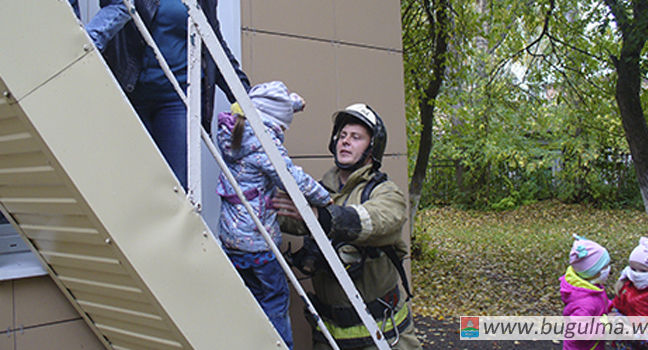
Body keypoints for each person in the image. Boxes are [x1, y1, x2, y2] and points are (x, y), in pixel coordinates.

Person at [274, 103, 422, 350]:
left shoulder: (385, 193)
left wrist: (321, 217)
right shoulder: (319, 192)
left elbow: (379, 220)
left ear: (372, 148)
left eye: (356, 137)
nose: (345, 141)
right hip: (329, 340)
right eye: (342, 136)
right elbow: (291, 218)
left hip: (384, 338)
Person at [68, 0, 251, 188]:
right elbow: (110, 9)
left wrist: (243, 94)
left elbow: (213, 42)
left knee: (176, 185)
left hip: (177, 99)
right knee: (130, 183)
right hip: (131, 93)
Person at [215, 81, 332, 350]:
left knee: (250, 299)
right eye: (282, 128)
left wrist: (295, 105)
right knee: (275, 298)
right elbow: (292, 178)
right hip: (259, 242)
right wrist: (324, 197)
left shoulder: (233, 131)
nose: (282, 134)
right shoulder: (266, 146)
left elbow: (265, 105)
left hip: (232, 239)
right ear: (273, 125)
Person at [559, 235, 613, 350]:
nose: (609, 270)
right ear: (593, 272)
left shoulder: (591, 288)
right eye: (605, 266)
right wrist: (604, 325)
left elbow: (601, 302)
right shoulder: (585, 303)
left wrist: (611, 306)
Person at [611, 237, 648, 350]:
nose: (636, 274)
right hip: (627, 342)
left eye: (643, 271)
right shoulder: (626, 286)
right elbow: (618, 307)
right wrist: (616, 318)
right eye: (633, 269)